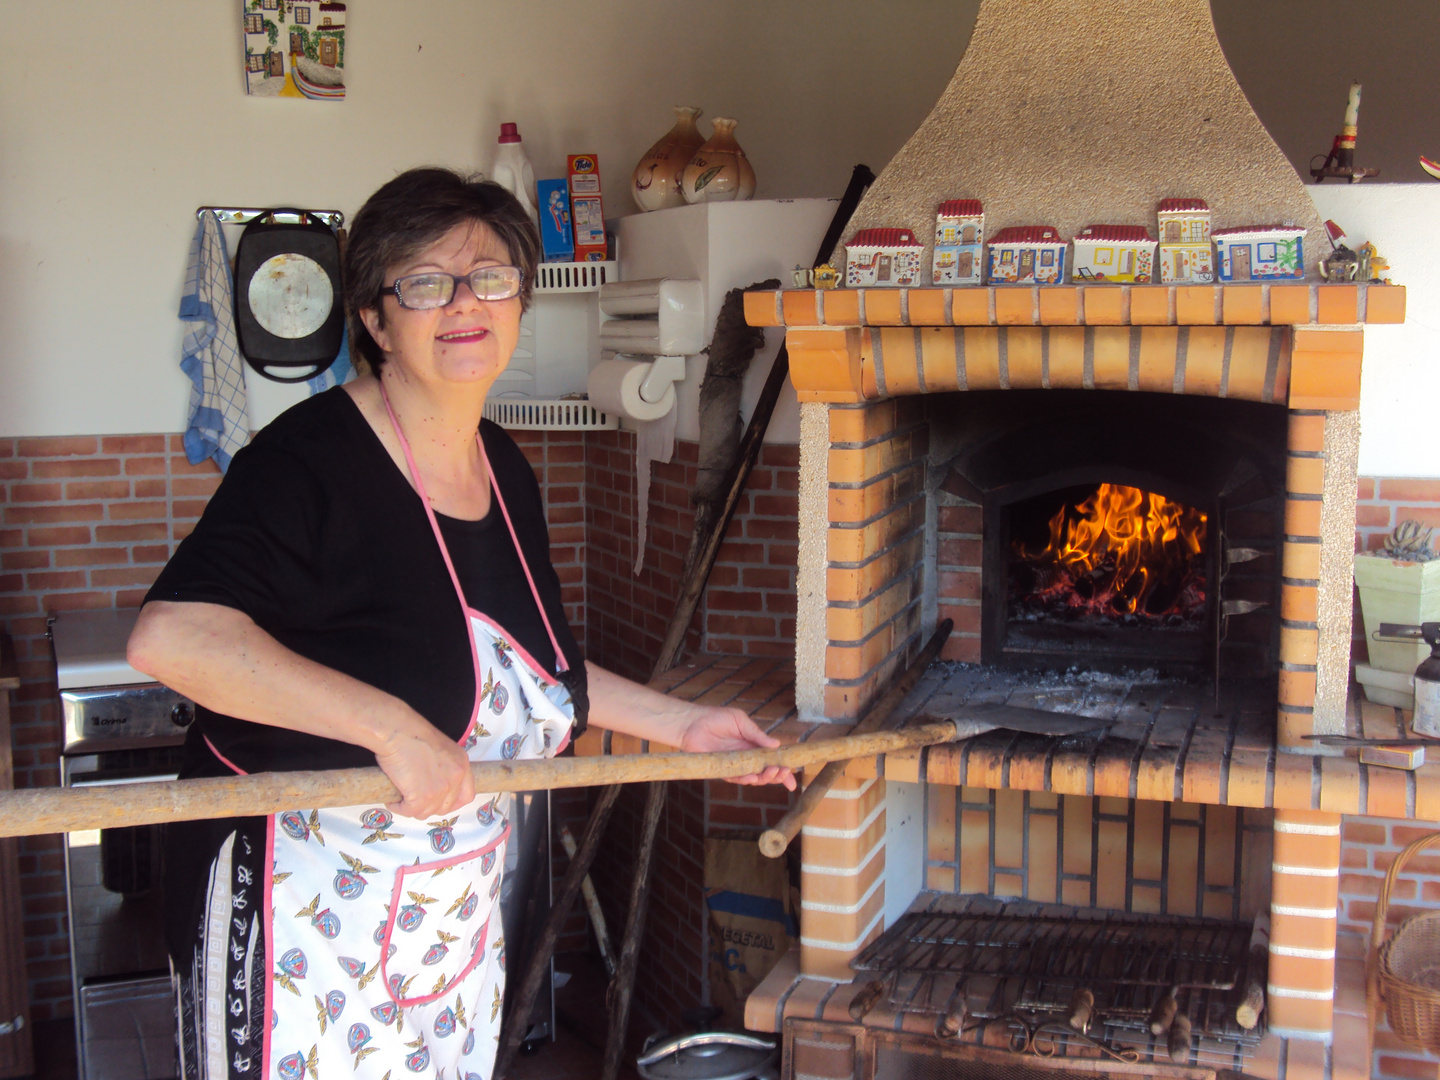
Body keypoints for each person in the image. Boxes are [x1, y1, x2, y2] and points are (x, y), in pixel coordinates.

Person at [128, 167, 795, 1080]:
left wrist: (686, 726)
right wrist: (393, 730)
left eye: (489, 277)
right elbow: (172, 638)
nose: (464, 303)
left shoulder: (505, 468)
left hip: (445, 919)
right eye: (426, 283)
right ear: (375, 319)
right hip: (296, 906)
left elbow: (535, 671)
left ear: (520, 297)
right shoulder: (306, 460)